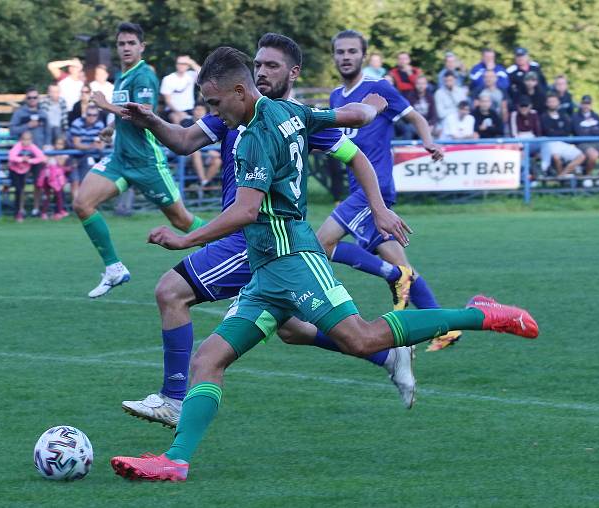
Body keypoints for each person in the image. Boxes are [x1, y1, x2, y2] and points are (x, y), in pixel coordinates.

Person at [109, 45, 538, 482]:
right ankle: (175, 461)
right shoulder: (290, 113)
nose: (213, 112)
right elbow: (349, 118)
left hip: (294, 260)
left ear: (240, 91)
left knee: (363, 339)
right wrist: (371, 105)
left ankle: (478, 314)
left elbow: (245, 212)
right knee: (208, 360)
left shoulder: (257, 136)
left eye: (216, 103)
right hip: (265, 275)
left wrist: (185, 238)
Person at [115, 33, 422, 429]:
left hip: (255, 236)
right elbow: (184, 141)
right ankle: (387, 353)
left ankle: (174, 399)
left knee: (170, 291)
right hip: (250, 235)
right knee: (293, 330)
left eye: (271, 65)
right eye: (258, 64)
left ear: (293, 72)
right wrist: (151, 120)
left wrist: (379, 208)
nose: (262, 71)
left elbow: (356, 154)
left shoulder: (294, 117)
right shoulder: (234, 108)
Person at [328, 30, 459, 353]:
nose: (346, 56)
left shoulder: (378, 89)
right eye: (340, 52)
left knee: (322, 243)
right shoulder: (335, 97)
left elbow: (415, 116)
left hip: (375, 190)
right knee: (403, 264)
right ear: (334, 57)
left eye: (352, 51)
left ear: (363, 55)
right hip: (359, 189)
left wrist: (427, 141)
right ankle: (446, 328)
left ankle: (392, 275)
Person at [73, 22, 207, 298]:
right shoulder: (122, 76)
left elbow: (145, 116)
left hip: (146, 163)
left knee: (182, 221)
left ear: (141, 47)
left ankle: (237, 243)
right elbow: (126, 113)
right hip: (120, 159)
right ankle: (114, 268)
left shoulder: (144, 75)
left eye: (131, 43)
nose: (125, 48)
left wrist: (105, 106)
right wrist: (112, 127)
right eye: (121, 44)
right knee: (82, 203)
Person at [10, 87, 51, 215]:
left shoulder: (43, 113)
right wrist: (27, 126)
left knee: (38, 183)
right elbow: (12, 130)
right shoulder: (19, 113)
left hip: (38, 154)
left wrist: (47, 145)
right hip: (23, 155)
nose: (32, 100)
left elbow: (48, 132)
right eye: (30, 97)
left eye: (35, 97)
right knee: (21, 185)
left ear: (38, 99)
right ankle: (20, 209)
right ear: (26, 98)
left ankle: (36, 209)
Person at [571, 95, 599, 187]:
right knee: (593, 155)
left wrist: (587, 129)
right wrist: (593, 129)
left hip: (598, 142)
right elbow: (578, 132)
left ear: (591, 105)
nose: (586, 106)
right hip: (583, 143)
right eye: (584, 103)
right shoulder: (575, 116)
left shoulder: (596, 116)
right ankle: (588, 176)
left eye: (588, 104)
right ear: (580, 104)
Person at [539, 93, 585, 178]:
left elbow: (567, 131)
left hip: (563, 143)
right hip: (550, 144)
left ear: (558, 103)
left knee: (581, 156)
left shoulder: (564, 116)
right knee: (556, 157)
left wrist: (555, 132)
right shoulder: (543, 117)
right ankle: (561, 179)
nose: (552, 103)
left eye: (554, 101)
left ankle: (562, 176)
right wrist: (559, 132)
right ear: (546, 103)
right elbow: (547, 132)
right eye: (550, 101)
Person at [68, 103, 106, 197]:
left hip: (90, 156)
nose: (92, 117)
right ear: (85, 114)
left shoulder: (100, 124)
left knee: (86, 181)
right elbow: (76, 144)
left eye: (94, 115)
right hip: (74, 156)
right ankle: (76, 206)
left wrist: (102, 145)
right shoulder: (77, 123)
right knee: (75, 181)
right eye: (89, 114)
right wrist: (92, 146)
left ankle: (84, 205)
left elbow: (103, 142)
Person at [7, 131, 46, 222]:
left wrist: (30, 161)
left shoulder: (32, 147)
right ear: (21, 140)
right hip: (15, 170)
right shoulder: (17, 146)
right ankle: (18, 212)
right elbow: (11, 157)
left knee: (35, 182)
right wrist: (22, 159)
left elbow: (42, 157)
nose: (26, 142)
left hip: (25, 169)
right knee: (19, 190)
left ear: (31, 140)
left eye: (28, 139)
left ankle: (35, 210)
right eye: (24, 139)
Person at [160, 55, 200, 124]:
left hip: (190, 109)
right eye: (179, 63)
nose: (181, 65)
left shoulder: (191, 75)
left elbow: (205, 75)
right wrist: (179, 113)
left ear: (188, 66)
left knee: (202, 116)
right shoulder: (168, 79)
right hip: (173, 110)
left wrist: (192, 63)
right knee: (176, 118)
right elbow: (168, 101)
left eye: (184, 64)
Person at [37, 137, 70, 220]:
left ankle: (59, 212)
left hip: (57, 178)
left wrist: (54, 154)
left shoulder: (64, 154)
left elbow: (60, 163)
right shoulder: (48, 150)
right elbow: (43, 160)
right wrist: (49, 153)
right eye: (57, 143)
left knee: (58, 195)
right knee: (46, 195)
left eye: (61, 144)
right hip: (47, 176)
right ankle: (44, 213)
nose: (59, 146)